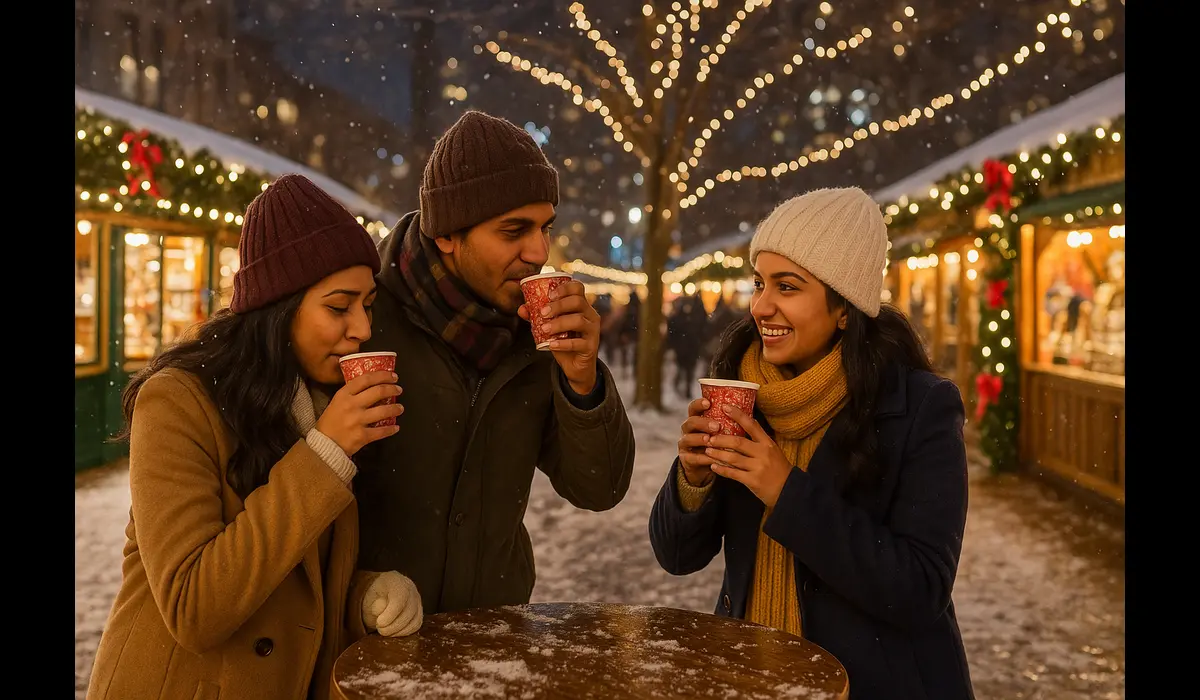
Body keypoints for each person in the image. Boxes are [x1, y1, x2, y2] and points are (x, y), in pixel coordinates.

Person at [86, 175, 423, 700]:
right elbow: (194, 606)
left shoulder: (315, 403)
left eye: (368, 304)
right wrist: (327, 454)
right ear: (278, 311)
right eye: (339, 307)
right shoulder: (176, 401)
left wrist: (362, 596)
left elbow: (290, 578)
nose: (361, 327)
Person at [649, 187, 975, 699]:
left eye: (788, 287)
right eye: (759, 283)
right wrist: (692, 480)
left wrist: (786, 491)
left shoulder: (919, 409)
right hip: (752, 676)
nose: (761, 306)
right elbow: (675, 555)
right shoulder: (746, 395)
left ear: (844, 307)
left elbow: (920, 588)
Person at [353, 110, 636, 614]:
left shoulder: (533, 337)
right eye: (514, 231)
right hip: (373, 637)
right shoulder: (364, 320)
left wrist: (583, 381)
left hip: (494, 633)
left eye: (546, 227)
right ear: (447, 234)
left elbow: (601, 488)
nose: (539, 251)